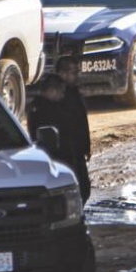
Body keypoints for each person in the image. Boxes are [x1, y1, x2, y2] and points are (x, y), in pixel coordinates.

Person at [28, 72, 91, 203]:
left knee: (83, 190)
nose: (63, 95)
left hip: (71, 155)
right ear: (51, 90)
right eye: (61, 91)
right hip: (58, 157)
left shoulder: (65, 104)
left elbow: (80, 126)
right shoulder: (40, 109)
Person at [53, 55, 92, 201]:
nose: (77, 76)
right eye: (73, 72)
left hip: (77, 150)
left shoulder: (74, 93)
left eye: (77, 72)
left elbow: (81, 122)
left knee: (84, 189)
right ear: (62, 74)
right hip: (64, 152)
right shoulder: (56, 95)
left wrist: (86, 146)